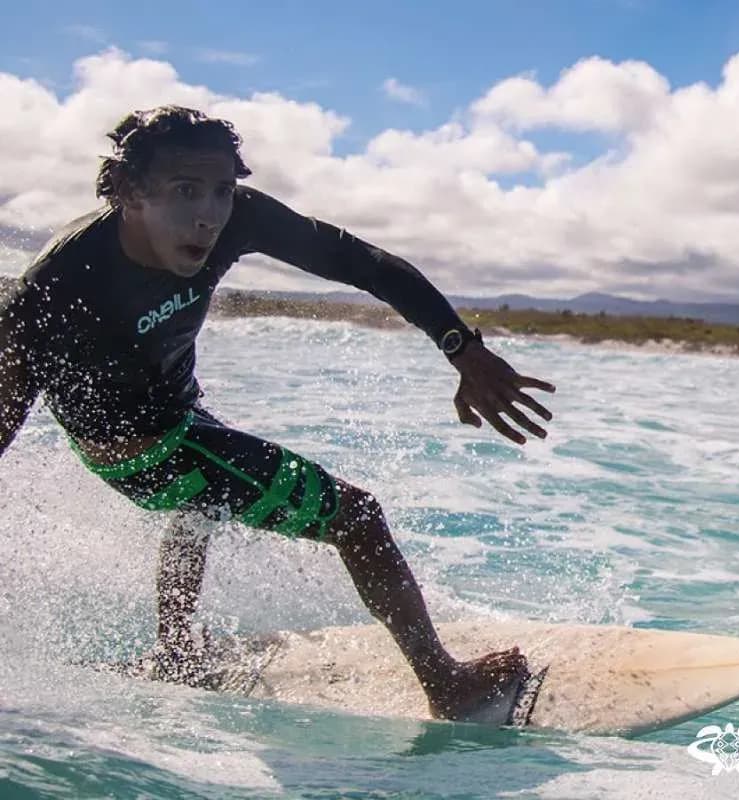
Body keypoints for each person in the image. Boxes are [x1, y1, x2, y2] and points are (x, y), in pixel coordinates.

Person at [0, 106, 555, 721]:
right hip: (140, 450)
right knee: (358, 518)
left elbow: (363, 264)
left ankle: (177, 651)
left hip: (184, 419)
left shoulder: (236, 216)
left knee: (200, 502)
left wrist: (462, 348)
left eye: (221, 190)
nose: (209, 214)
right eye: (185, 191)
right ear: (130, 193)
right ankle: (447, 685)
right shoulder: (56, 287)